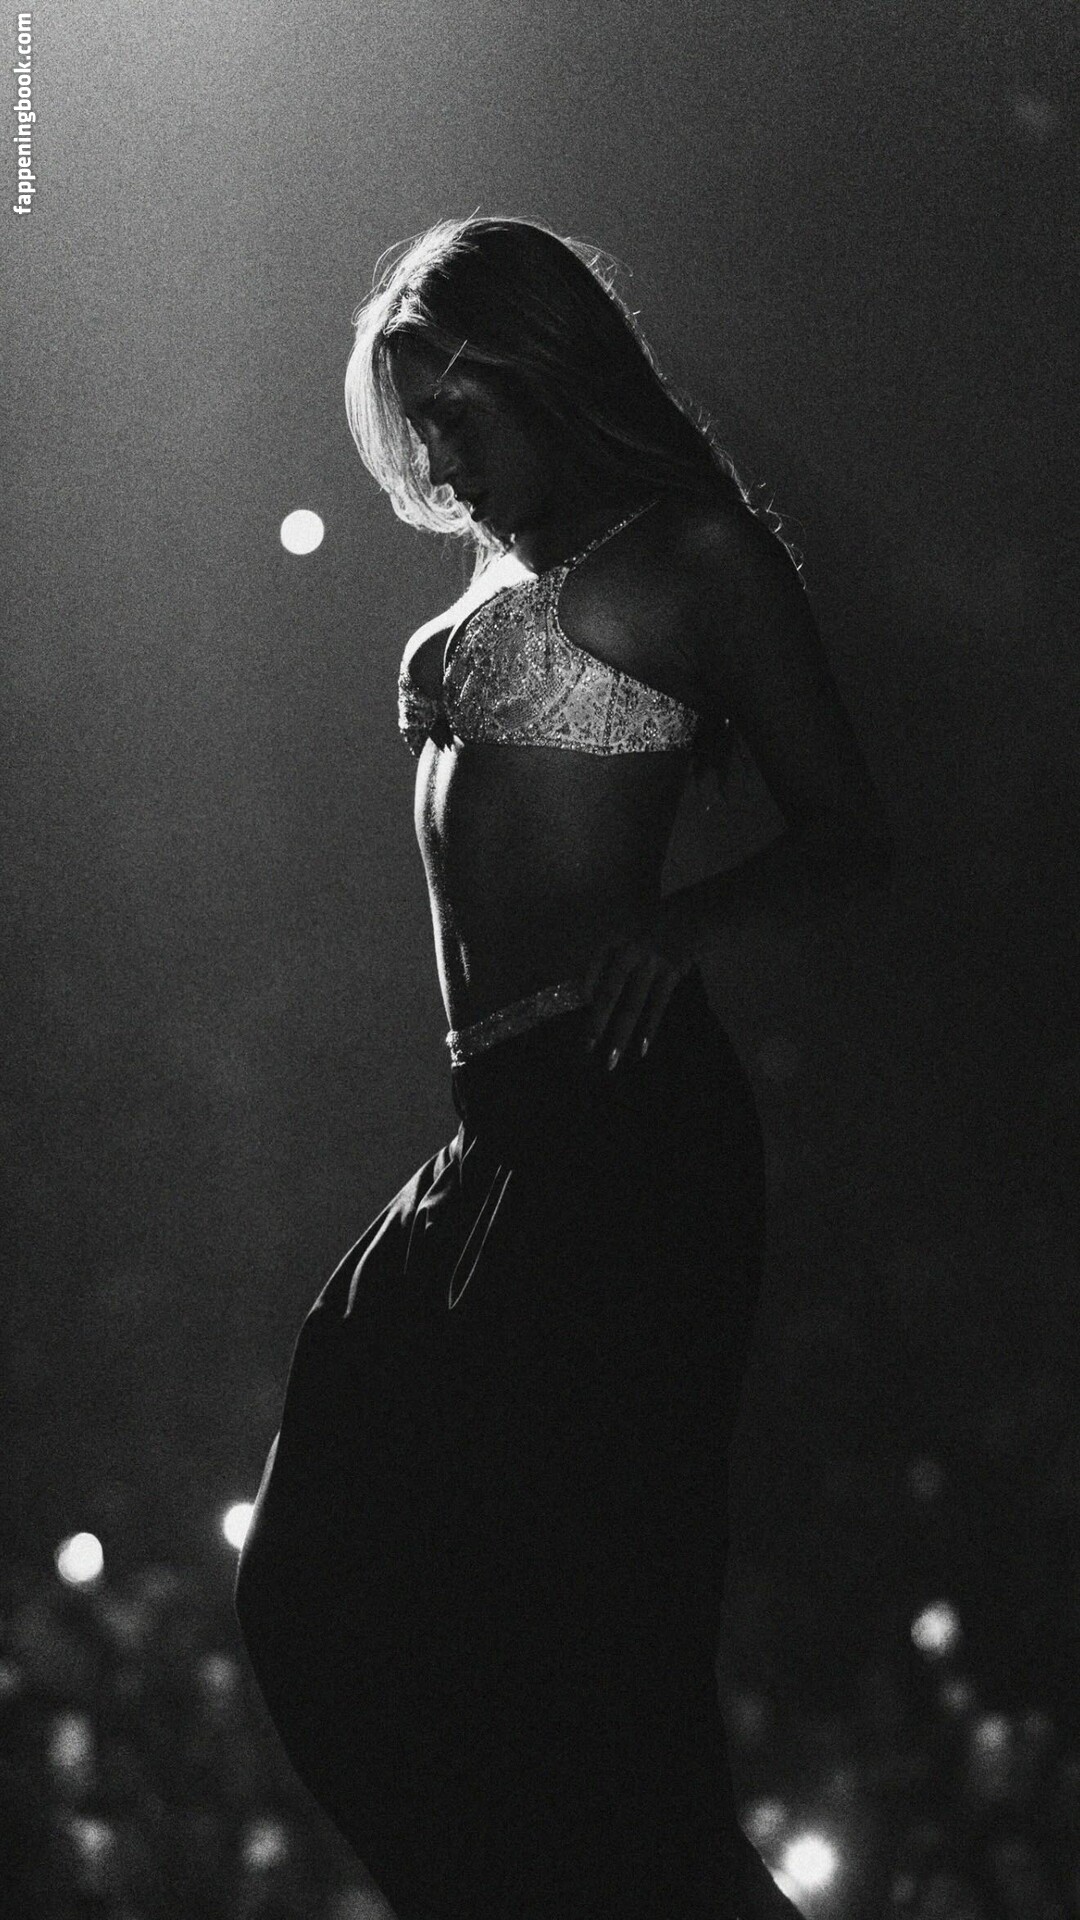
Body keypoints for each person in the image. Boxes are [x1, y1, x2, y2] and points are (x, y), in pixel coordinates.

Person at [234, 215, 894, 1919]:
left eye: (457, 417)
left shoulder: (692, 556)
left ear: (541, 371)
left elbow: (849, 832)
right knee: (311, 1586)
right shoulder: (488, 588)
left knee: (602, 1662)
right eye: (419, 428)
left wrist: (683, 927)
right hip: (494, 1137)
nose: (438, 459)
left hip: (631, 1133)